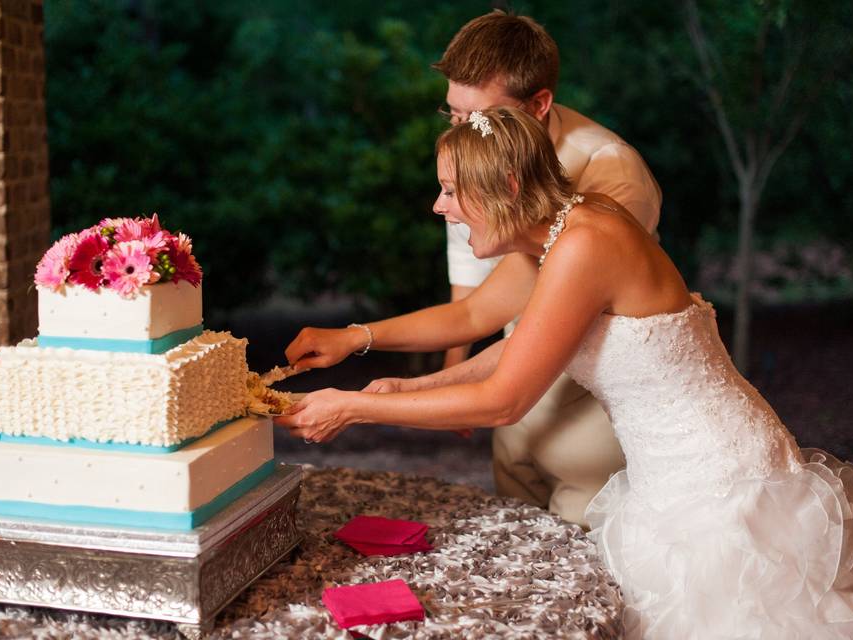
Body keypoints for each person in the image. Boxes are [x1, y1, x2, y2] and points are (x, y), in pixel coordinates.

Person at [276, 107, 853, 637]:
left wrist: (352, 405)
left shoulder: (586, 244)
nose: (441, 205)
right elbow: (522, 344)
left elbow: (503, 401)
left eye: (452, 190)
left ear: (508, 184)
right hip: (666, 485)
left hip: (722, 488)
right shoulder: (563, 230)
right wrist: (412, 385)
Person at [283, 11, 663, 528]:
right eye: (453, 116)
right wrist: (358, 339)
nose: (462, 133)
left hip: (585, 414)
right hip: (508, 401)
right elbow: (476, 309)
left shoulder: (604, 189)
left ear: (538, 105)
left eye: (476, 117)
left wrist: (366, 404)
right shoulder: (482, 165)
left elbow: (532, 355)